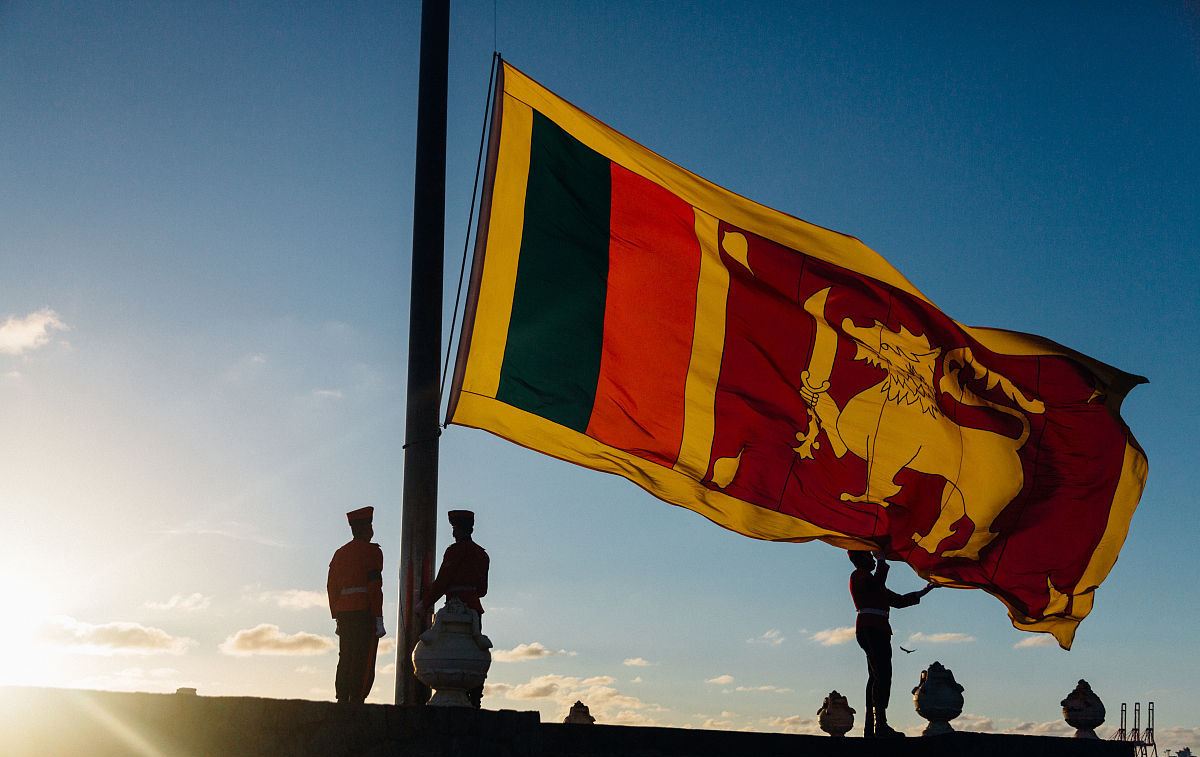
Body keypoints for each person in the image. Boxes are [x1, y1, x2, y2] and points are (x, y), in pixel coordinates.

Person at [848, 549, 936, 738]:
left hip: (875, 629)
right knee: (882, 675)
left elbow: (899, 601)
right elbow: (878, 583)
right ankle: (880, 725)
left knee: (876, 676)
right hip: (871, 629)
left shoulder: (870, 581)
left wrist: (926, 590)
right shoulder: (859, 576)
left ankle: (873, 727)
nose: (873, 560)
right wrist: (881, 560)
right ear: (860, 559)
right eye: (870, 557)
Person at [416, 509, 489, 707]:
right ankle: (475, 700)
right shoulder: (482, 555)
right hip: (474, 608)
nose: (453, 533)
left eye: (454, 528)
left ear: (459, 529)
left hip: (454, 608)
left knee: (447, 651)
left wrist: (424, 603)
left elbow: (442, 581)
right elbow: (483, 589)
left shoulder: (454, 551)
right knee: (473, 652)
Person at [327, 506, 385, 704]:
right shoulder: (372, 552)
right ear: (366, 528)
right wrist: (378, 617)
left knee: (346, 655)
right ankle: (357, 699)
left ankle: (342, 696)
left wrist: (336, 613)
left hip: (344, 612)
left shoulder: (339, 554)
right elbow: (374, 587)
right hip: (364, 611)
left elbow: (331, 587)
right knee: (363, 657)